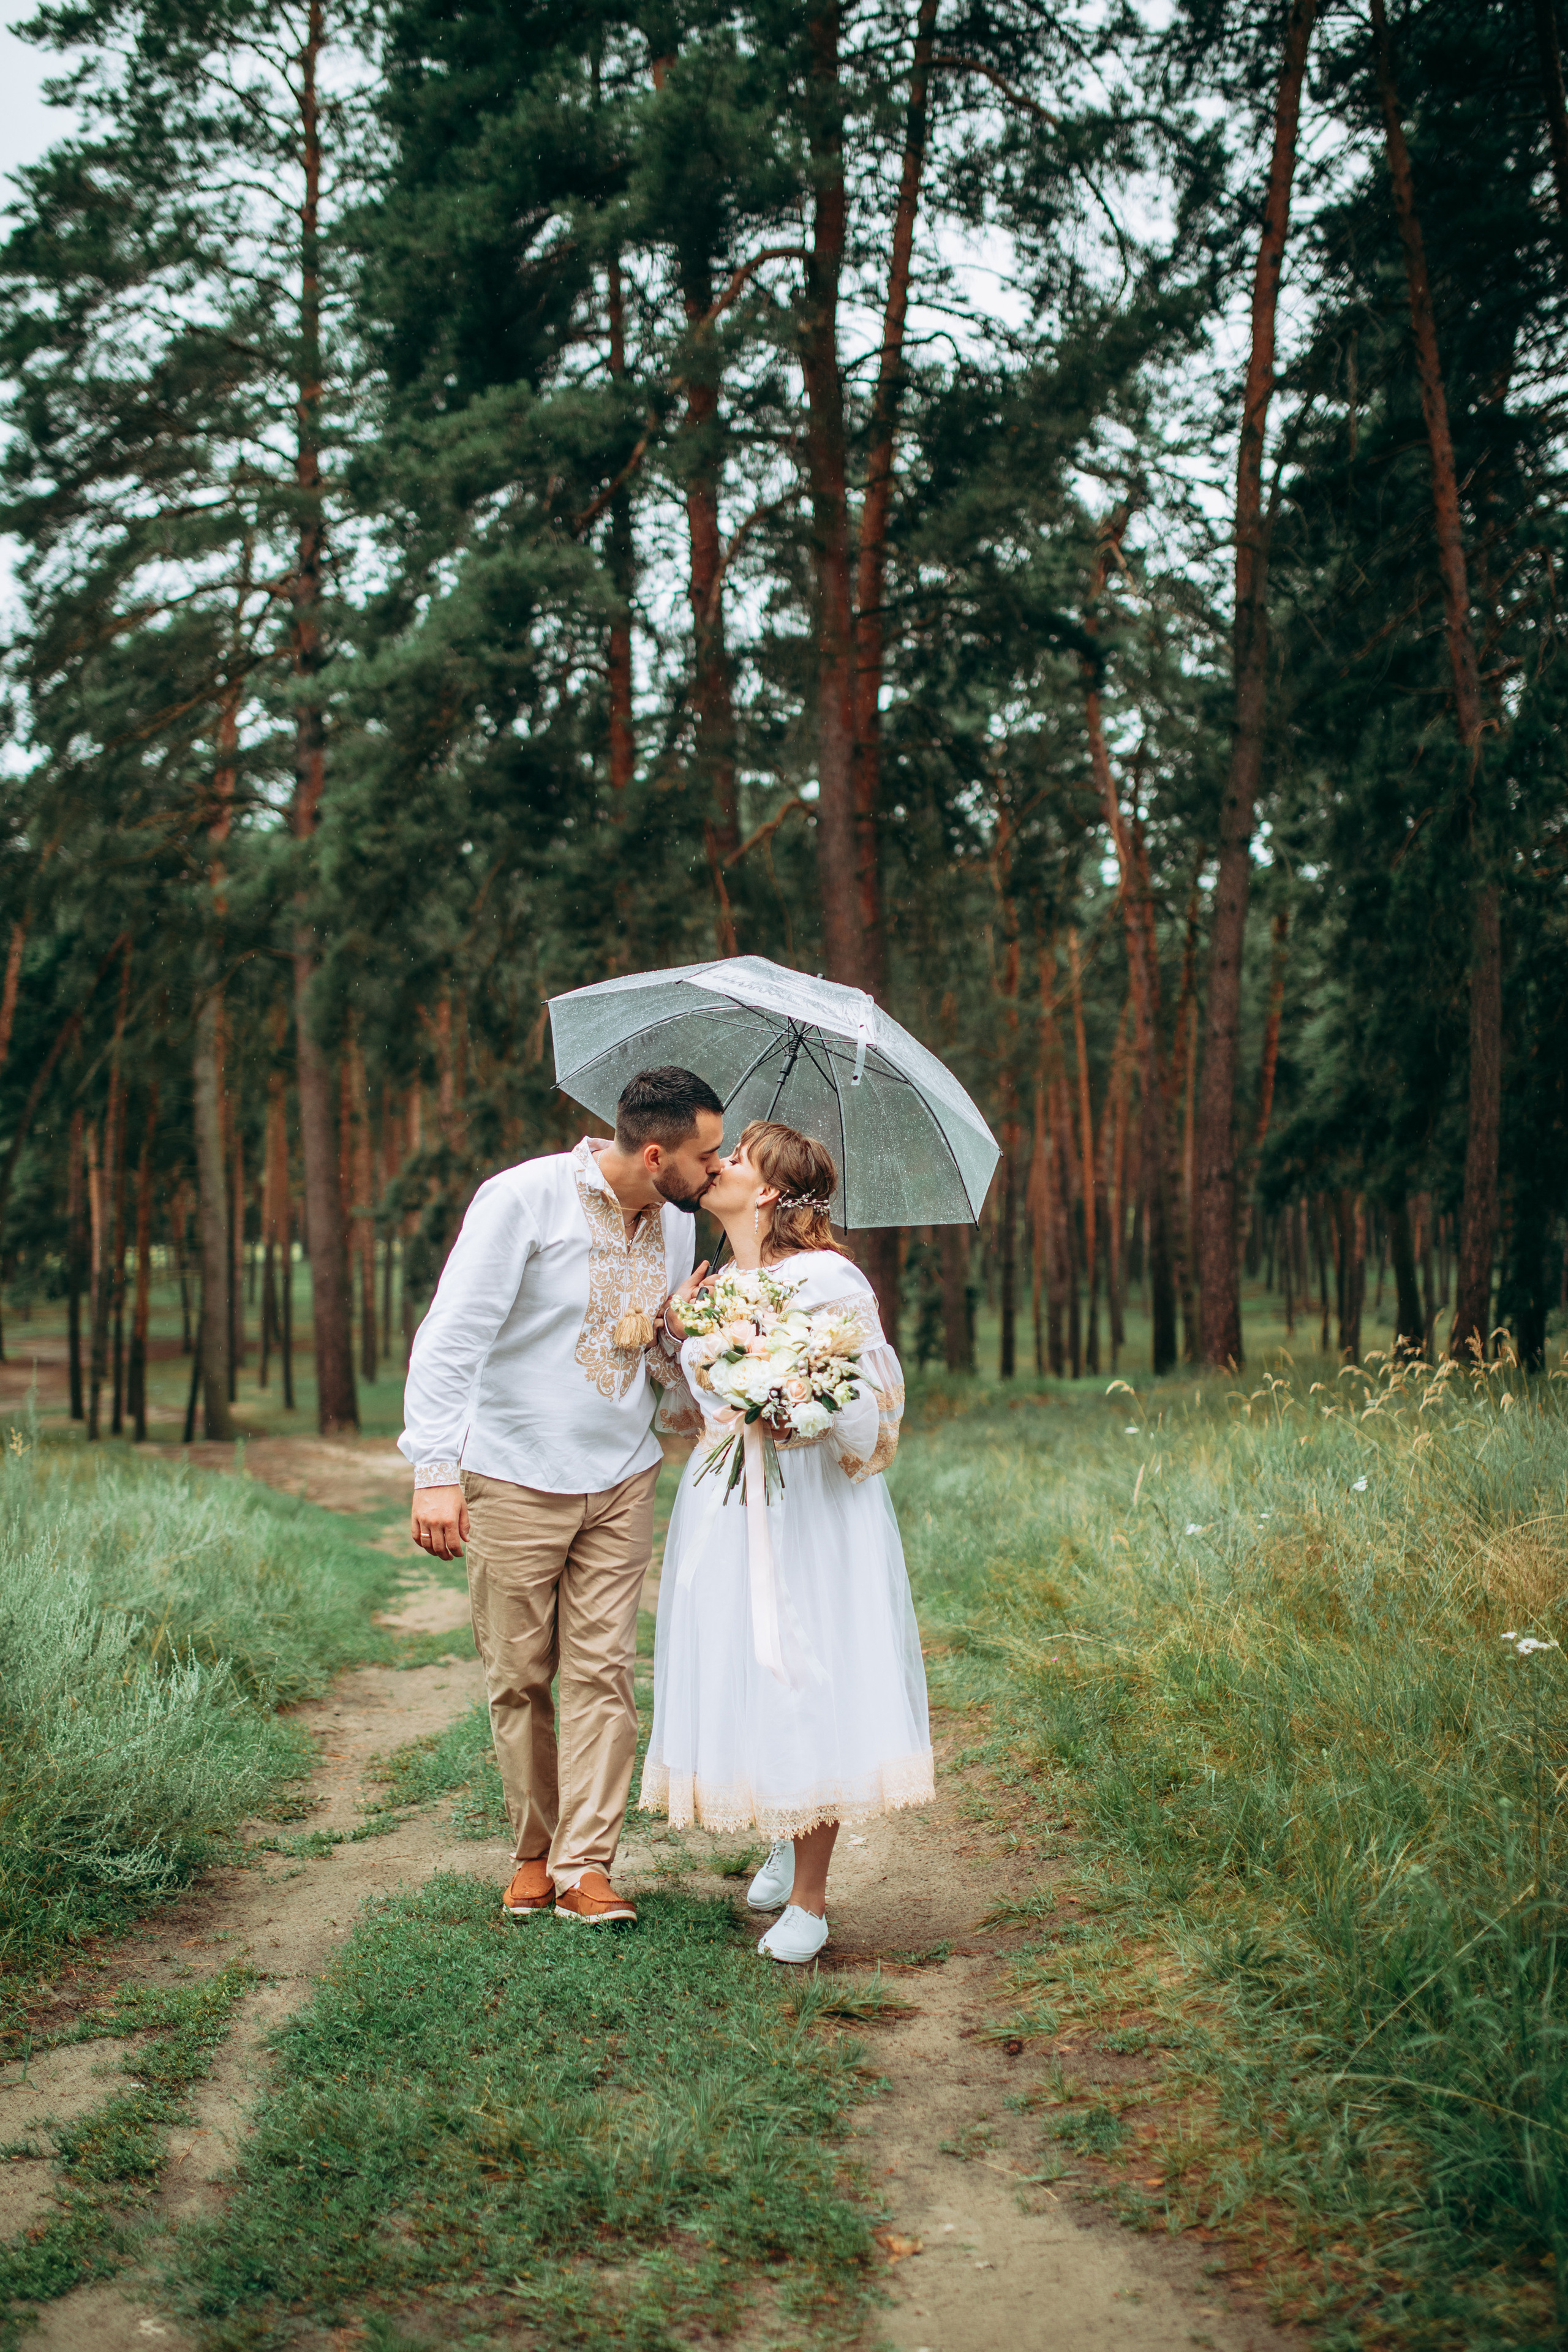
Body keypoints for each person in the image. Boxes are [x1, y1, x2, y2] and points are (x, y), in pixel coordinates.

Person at [399, 1066, 724, 1927]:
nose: (717, 1170)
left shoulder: (678, 1223)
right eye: (706, 1156)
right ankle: (533, 1856)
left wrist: (679, 1336)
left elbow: (653, 1360)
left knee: (603, 1673)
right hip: (513, 1472)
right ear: (654, 1155)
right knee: (520, 1677)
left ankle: (587, 1867)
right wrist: (435, 1472)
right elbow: (451, 1338)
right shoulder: (522, 1199)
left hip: (621, 1476)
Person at [639, 1121, 934, 1964]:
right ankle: (782, 1827)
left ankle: (811, 1899)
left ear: (768, 1189)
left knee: (804, 1669)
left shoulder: (828, 1278)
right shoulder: (719, 1282)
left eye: (736, 1157)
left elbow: (870, 1407)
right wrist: (675, 1336)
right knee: (747, 1662)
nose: (719, 1164)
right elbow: (687, 1408)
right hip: (725, 1497)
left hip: (805, 1504)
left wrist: (793, 1410)